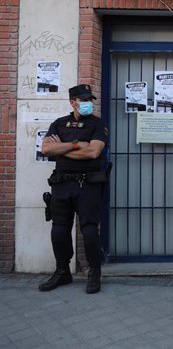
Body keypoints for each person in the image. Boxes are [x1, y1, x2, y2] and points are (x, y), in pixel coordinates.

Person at [39, 84, 108, 294]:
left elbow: (93, 152)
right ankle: (62, 271)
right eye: (83, 99)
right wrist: (78, 145)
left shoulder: (97, 124)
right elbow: (46, 149)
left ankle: (94, 272)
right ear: (72, 102)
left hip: (87, 185)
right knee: (59, 230)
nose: (88, 103)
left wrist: (63, 149)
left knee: (89, 232)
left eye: (90, 100)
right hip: (62, 184)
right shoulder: (58, 124)